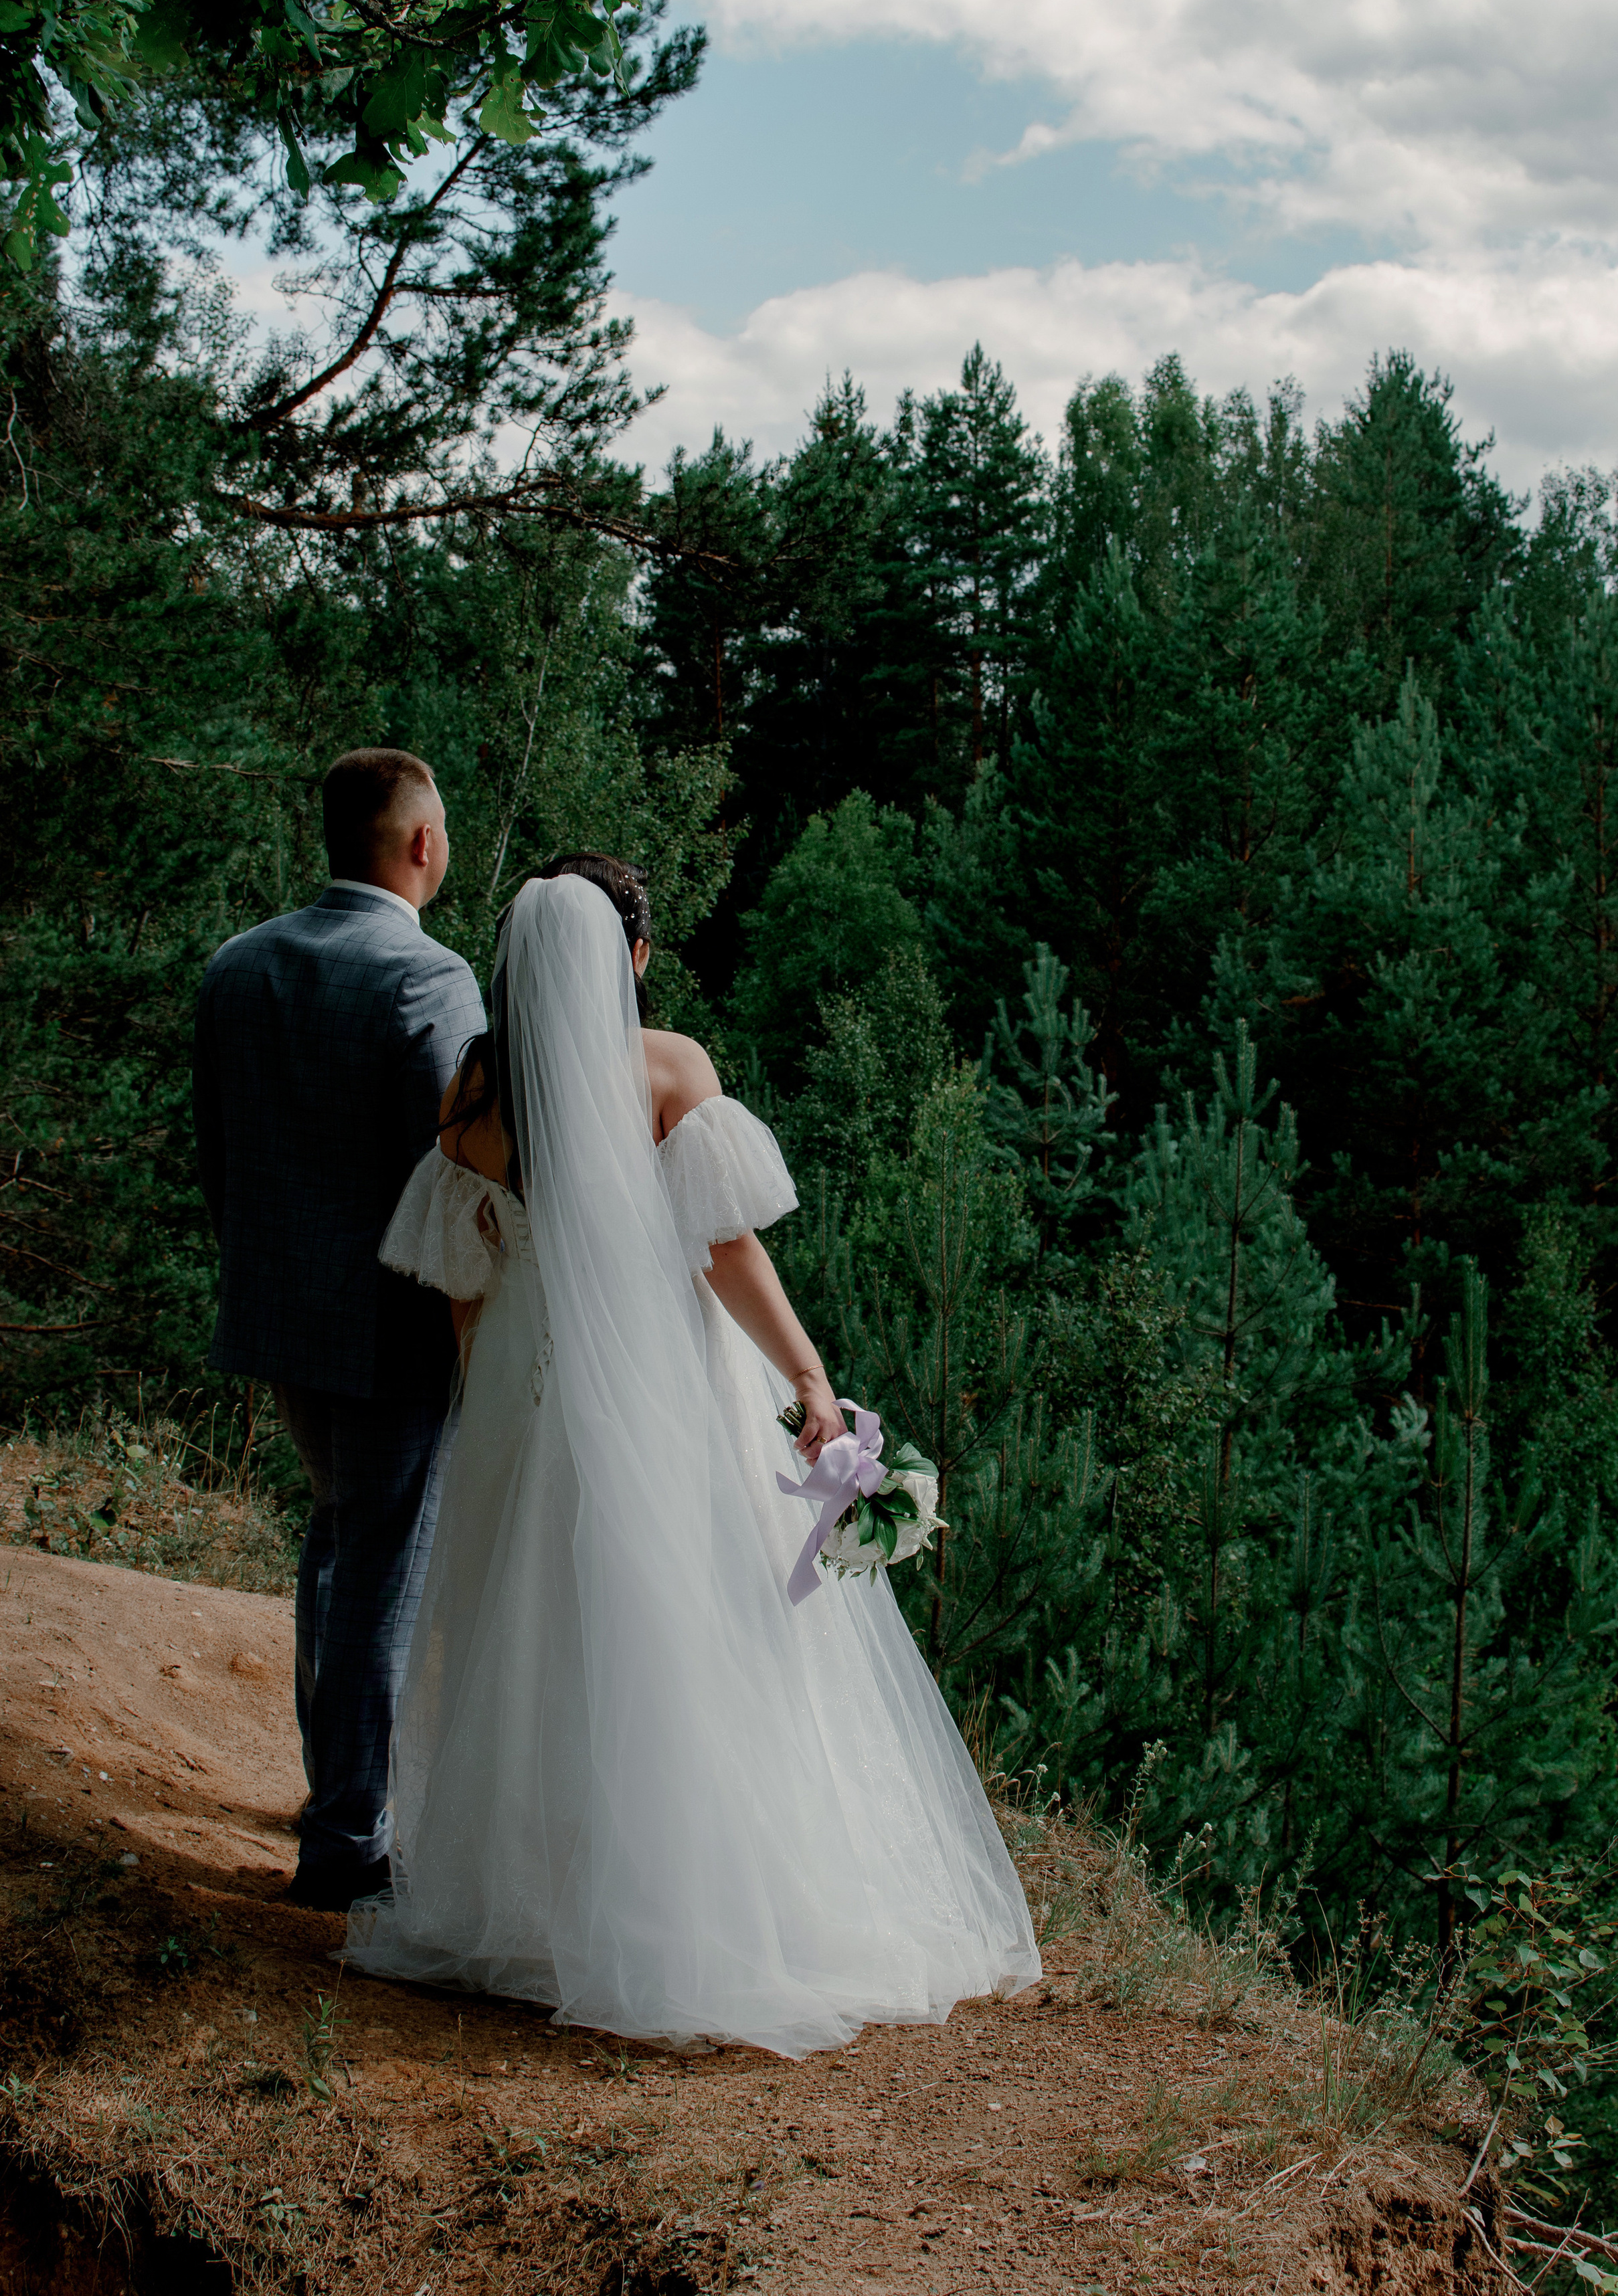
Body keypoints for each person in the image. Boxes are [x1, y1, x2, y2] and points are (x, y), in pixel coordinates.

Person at [347, 858, 1040, 2055]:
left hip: (523, 1386)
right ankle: (686, 1901)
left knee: (538, 1631)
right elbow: (724, 1254)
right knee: (690, 1624)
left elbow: (467, 1293)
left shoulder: (474, 1088)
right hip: (664, 1381)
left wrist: (490, 1404)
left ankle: (532, 1907)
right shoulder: (668, 1068)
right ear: (635, 957)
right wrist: (811, 1374)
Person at [192, 749, 486, 1911]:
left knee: (337, 1540)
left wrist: (263, 1273)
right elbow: (455, 1172)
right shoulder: (430, 979)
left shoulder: (237, 965)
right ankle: (349, 1838)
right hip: (393, 1326)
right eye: (444, 825)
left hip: (279, 1310)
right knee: (381, 1566)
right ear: (420, 844)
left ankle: (337, 1794)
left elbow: (222, 1154)